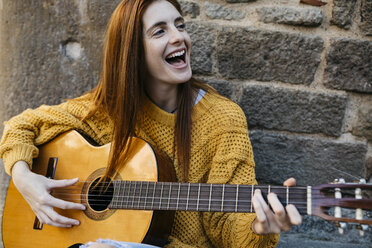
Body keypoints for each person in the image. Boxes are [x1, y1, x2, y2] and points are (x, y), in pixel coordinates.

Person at [0, 0, 302, 247]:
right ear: (132, 51)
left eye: (179, 25)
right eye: (159, 31)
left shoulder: (222, 119)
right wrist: (25, 178)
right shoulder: (107, 109)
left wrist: (259, 227)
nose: (178, 37)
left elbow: (226, 229)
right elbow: (22, 126)